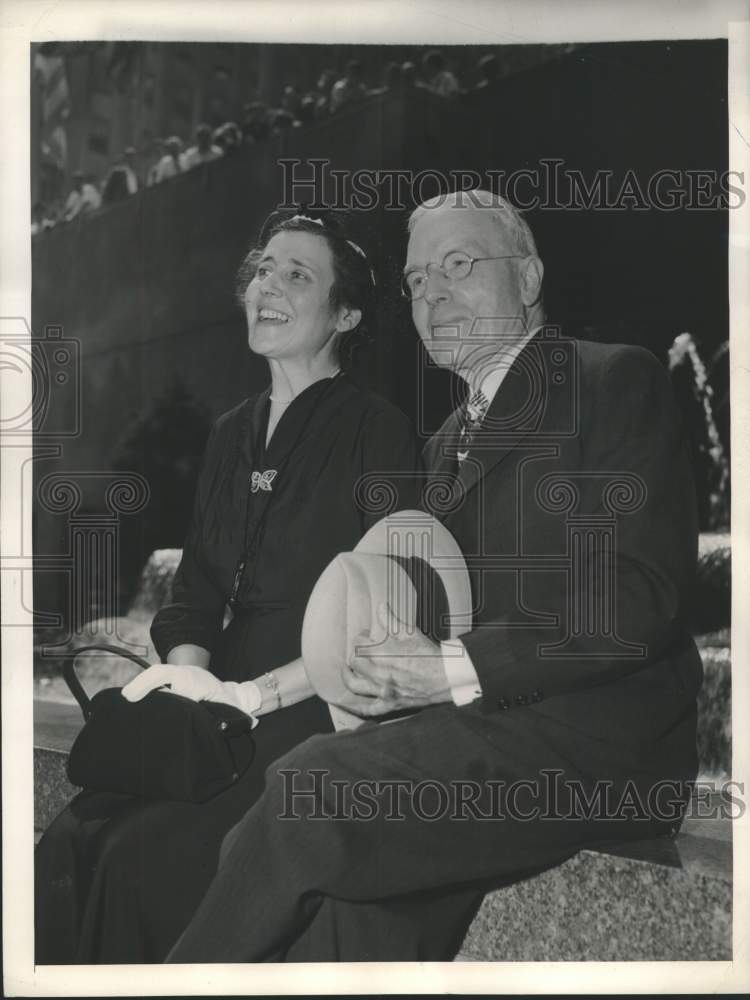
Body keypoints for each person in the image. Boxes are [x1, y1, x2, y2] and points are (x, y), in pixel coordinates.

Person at [168, 189, 702, 962]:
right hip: (486, 732)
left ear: (528, 276)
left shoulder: (613, 378)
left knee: (305, 788)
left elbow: (636, 596)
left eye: (458, 265)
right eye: (418, 282)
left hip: (603, 742)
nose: (433, 295)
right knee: (349, 915)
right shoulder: (447, 438)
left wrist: (451, 668)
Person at [34, 207, 421, 964]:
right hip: (214, 702)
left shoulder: (378, 429)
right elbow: (199, 587)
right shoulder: (229, 430)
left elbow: (388, 613)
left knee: (134, 863)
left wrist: (255, 697)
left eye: (297, 274)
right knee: (69, 841)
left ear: (345, 313)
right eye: (262, 268)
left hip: (309, 709)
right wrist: (191, 678)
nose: (267, 285)